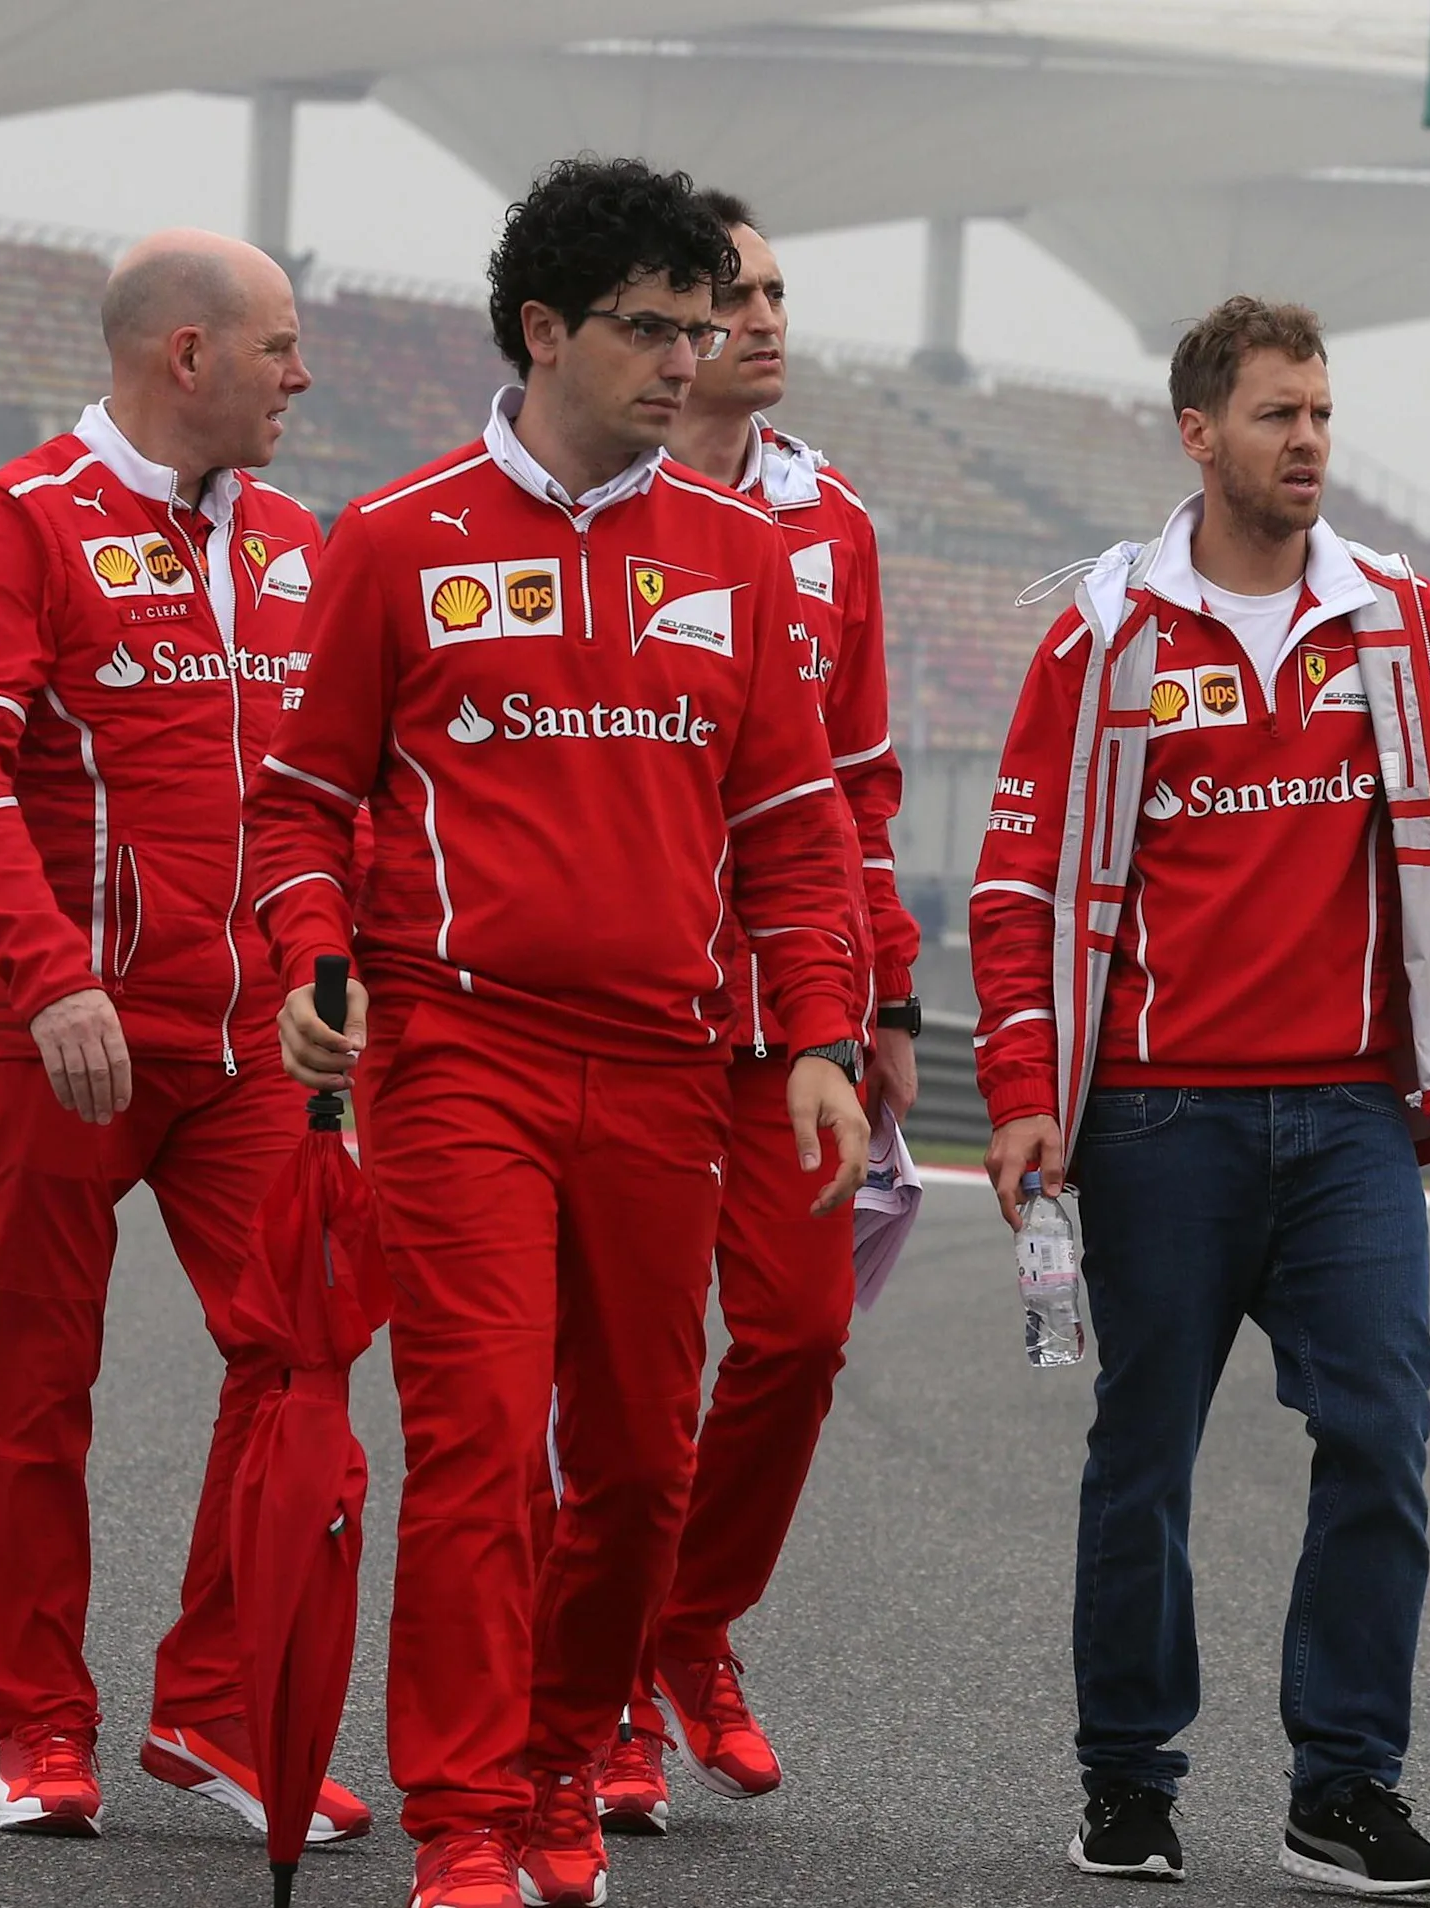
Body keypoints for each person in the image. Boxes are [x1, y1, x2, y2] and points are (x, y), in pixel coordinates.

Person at [971, 296, 1430, 1895]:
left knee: (1380, 1437)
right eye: (1278, 415)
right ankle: (1126, 1780)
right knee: (1144, 1453)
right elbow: (1016, 884)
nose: (1309, 443)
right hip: (1156, 1120)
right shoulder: (1106, 634)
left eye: (1323, 415)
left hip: (1354, 1120)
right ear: (1198, 433)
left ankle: (1344, 1787)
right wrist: (1021, 1088)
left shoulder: (1396, 618)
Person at [247, 157, 871, 1908]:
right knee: (474, 1444)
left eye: (703, 328)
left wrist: (823, 1035)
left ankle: (561, 1761)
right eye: (651, 327)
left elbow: (795, 828)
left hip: (671, 1064)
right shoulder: (396, 537)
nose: (688, 359)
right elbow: (302, 802)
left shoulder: (746, 557)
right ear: (542, 328)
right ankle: (461, 1816)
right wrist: (312, 955)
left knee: (644, 1467)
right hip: (461, 1055)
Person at [0, 227, 374, 1845]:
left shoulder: (306, 544)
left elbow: (331, 798)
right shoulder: (17, 518)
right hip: (54, 1038)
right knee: (36, 1388)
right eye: (279, 346)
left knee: (304, 1354)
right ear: (190, 355)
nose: (302, 375)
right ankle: (39, 1729)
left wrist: (324, 969)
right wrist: (52, 980)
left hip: (250, 1046)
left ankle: (216, 1706)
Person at [589, 188, 923, 1834]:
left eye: (781, 294)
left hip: (795, 1014)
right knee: (628, 1391)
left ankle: (689, 1624)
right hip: (631, 1003)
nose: (768, 321)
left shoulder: (832, 522)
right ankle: (601, 1696)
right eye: (736, 296)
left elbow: (860, 786)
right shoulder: (591, 502)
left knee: (798, 1337)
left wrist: (888, 991)